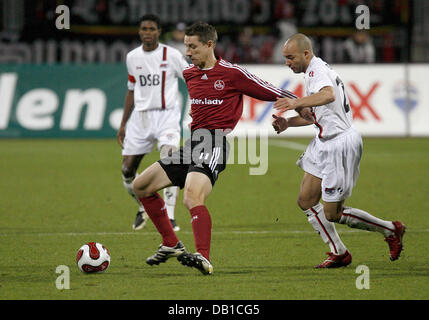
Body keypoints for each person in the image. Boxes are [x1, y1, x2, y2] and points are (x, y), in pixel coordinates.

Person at [132, 21, 308, 275]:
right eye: (186, 47)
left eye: (193, 47)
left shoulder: (231, 73)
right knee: (141, 186)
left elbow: (267, 89)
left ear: (209, 44)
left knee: (191, 196)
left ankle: (203, 257)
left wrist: (299, 103)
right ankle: (171, 243)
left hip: (213, 142)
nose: (188, 52)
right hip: (191, 144)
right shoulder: (190, 74)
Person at [272, 33, 406, 268]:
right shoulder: (313, 71)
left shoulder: (316, 71)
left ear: (306, 53)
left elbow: (328, 95)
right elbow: (318, 115)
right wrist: (288, 123)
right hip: (322, 142)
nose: (287, 62)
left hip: (339, 146)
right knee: (306, 200)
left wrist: (297, 102)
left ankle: (390, 229)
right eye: (285, 58)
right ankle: (339, 252)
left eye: (290, 57)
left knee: (333, 213)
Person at [117, 14, 189, 232]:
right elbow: (131, 90)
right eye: (144, 29)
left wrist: (197, 107)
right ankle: (143, 206)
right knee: (127, 170)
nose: (147, 32)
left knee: (169, 159)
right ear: (140, 32)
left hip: (167, 115)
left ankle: (170, 216)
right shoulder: (132, 57)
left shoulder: (172, 55)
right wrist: (123, 124)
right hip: (141, 118)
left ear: (159, 32)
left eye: (151, 29)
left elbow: (191, 80)